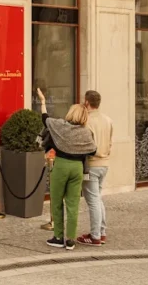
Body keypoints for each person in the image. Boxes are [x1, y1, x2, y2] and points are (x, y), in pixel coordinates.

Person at [36, 88, 95, 250]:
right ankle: (70, 240)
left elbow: (45, 118)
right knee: (73, 204)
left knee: (56, 202)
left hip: (61, 165)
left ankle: (58, 237)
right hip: (77, 168)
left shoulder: (61, 126)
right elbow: (92, 150)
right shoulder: (86, 132)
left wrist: (43, 101)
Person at [78, 90, 113, 247]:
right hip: (104, 163)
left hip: (91, 164)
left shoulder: (87, 121)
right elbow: (110, 142)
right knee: (97, 199)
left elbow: (86, 146)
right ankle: (101, 232)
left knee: (93, 201)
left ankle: (95, 236)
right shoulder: (108, 120)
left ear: (87, 102)